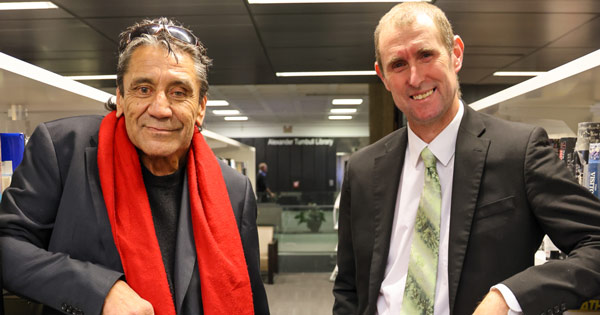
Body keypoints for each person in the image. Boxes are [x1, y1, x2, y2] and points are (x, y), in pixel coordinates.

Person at [332, 3, 600, 315]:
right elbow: (349, 287)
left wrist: (508, 297)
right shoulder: (363, 170)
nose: (415, 78)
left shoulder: (519, 152)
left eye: (426, 55)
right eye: (398, 64)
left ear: (455, 53)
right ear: (383, 76)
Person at [0, 17, 269, 315]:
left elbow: (251, 296)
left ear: (201, 107)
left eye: (179, 92)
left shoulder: (234, 189)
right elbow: (8, 247)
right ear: (120, 96)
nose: (160, 108)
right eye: (143, 89)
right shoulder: (62, 150)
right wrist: (99, 291)